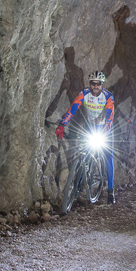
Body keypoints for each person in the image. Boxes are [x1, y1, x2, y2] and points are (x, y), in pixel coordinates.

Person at [56, 71, 117, 204]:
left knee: (108, 157)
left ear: (102, 84)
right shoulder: (84, 93)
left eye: (98, 84)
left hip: (104, 129)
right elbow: (73, 109)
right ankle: (78, 187)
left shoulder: (108, 96)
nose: (95, 86)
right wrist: (62, 124)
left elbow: (109, 117)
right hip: (90, 127)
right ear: (89, 84)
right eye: (93, 83)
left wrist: (105, 133)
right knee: (86, 156)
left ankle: (111, 191)